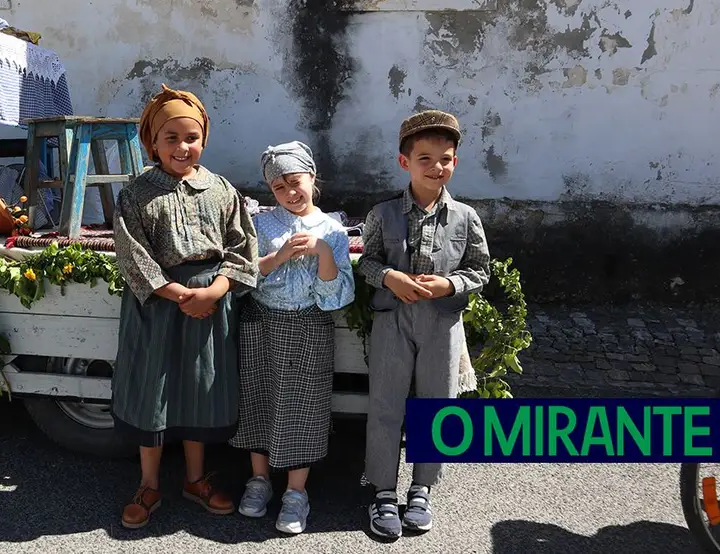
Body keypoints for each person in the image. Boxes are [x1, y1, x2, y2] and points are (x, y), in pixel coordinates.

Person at [111, 84, 259, 529]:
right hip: (157, 307)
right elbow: (132, 253)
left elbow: (242, 246)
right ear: (152, 143)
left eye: (190, 137)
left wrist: (215, 291)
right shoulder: (137, 192)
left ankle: (195, 479)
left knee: (200, 389)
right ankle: (149, 483)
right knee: (154, 390)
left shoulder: (220, 189)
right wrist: (178, 295)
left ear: (204, 140)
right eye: (170, 138)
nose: (182, 147)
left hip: (211, 305)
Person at [357, 109, 490, 539]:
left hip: (441, 323)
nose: (437, 167)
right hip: (392, 321)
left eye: (446, 158)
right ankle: (381, 491)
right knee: (385, 406)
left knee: (435, 406)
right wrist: (388, 277)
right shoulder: (382, 213)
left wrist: (449, 285)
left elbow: (480, 271)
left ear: (455, 162)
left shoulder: (466, 218)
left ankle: (421, 488)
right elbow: (367, 261)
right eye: (426, 158)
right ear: (405, 163)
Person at [230, 141, 355, 534]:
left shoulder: (332, 229)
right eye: (280, 187)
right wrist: (280, 256)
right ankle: (259, 480)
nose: (290, 193)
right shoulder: (262, 225)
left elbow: (336, 296)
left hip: (309, 324)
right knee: (258, 398)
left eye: (295, 182)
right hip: (260, 321)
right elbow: (245, 275)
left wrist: (324, 254)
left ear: (312, 177)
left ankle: (296, 492)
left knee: (304, 406)